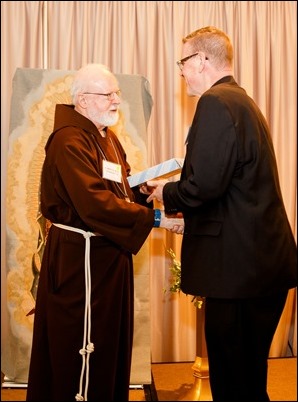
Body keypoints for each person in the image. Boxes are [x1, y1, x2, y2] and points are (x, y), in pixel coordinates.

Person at [141, 27, 297, 401]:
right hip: (259, 267)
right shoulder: (241, 100)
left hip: (238, 273)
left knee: (231, 381)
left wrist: (166, 192)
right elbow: (231, 184)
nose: (181, 71)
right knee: (248, 377)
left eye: (183, 61)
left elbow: (205, 186)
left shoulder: (215, 102)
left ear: (203, 60)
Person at [26, 63, 184, 402]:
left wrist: (145, 190)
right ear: (82, 100)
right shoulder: (68, 141)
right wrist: (158, 221)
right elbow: (94, 203)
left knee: (109, 342)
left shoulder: (106, 137)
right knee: (81, 347)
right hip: (79, 263)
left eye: (116, 93)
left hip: (108, 259)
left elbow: (117, 185)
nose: (116, 100)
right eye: (107, 94)